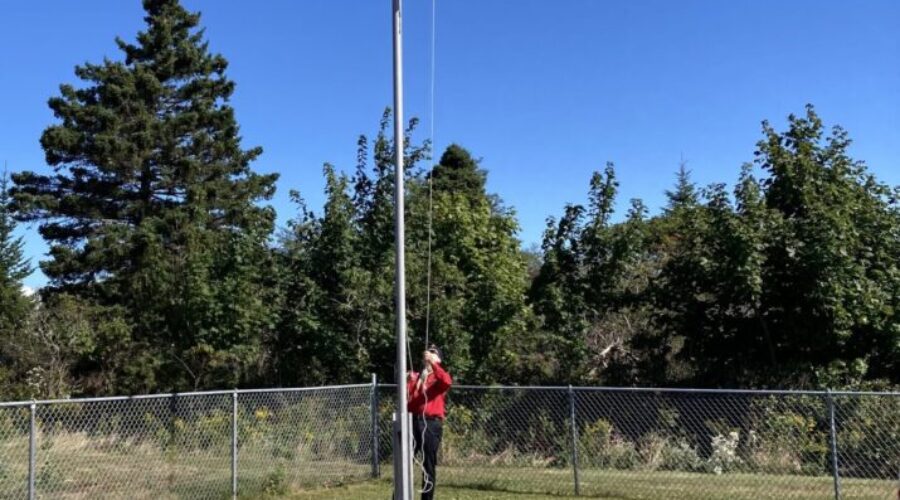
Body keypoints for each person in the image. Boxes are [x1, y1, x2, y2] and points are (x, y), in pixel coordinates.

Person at [407, 345, 452, 500]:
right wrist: (408, 382)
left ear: (438, 359)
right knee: (405, 461)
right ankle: (400, 495)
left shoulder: (439, 377)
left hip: (431, 424)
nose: (429, 354)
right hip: (413, 421)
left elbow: (447, 382)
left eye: (434, 353)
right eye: (428, 352)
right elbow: (410, 402)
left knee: (428, 466)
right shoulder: (418, 376)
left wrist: (433, 364)